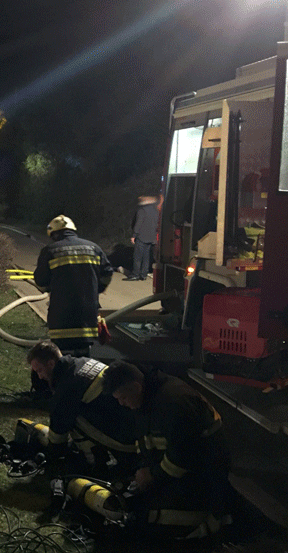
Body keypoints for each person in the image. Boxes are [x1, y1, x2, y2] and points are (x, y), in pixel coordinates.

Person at [103, 361, 232, 538]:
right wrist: (144, 470)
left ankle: (213, 522)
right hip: (179, 469)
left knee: (148, 517)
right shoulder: (146, 398)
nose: (121, 403)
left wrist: (151, 475)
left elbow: (183, 458)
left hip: (203, 474)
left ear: (136, 387)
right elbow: (147, 441)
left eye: (123, 398)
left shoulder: (173, 403)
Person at [26, 341, 137, 477]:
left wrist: (51, 460)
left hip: (126, 438)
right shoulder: (83, 362)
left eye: (39, 370)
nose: (39, 377)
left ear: (51, 364)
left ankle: (95, 463)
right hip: (135, 421)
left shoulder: (66, 389)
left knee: (74, 419)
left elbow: (57, 437)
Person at [34, 215, 114, 356]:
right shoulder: (94, 248)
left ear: (55, 234)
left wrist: (51, 288)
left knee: (62, 356)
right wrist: (96, 289)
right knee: (84, 357)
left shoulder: (50, 251)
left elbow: (40, 280)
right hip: (88, 314)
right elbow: (107, 273)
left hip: (61, 315)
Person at [127, 196, 159, 281]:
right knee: (146, 257)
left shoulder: (142, 210)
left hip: (141, 236)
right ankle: (144, 274)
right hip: (151, 237)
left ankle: (136, 274)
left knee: (138, 257)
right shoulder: (155, 210)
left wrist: (134, 235)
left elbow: (138, 223)